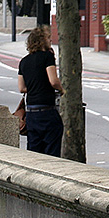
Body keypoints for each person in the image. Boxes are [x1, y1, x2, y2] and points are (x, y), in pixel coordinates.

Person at [17, 25, 64, 157]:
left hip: (31, 114)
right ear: (42, 40)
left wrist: (34, 87)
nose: (50, 40)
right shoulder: (47, 57)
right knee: (52, 152)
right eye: (48, 38)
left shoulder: (24, 61)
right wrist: (61, 89)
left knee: (34, 154)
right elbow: (53, 81)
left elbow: (22, 88)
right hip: (47, 112)